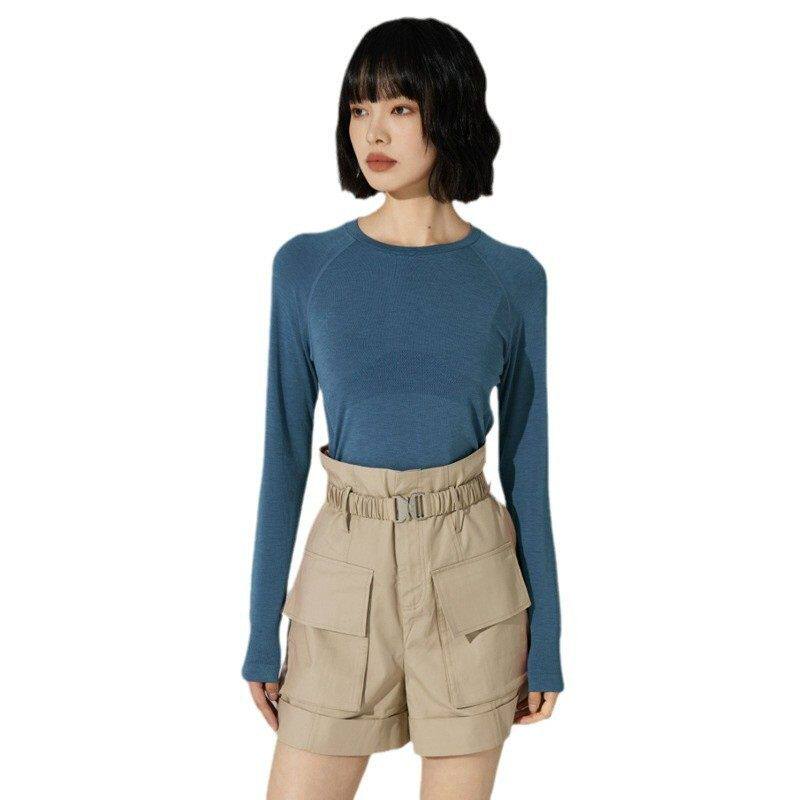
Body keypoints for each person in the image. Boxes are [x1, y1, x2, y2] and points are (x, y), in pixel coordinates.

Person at [243, 16, 563, 800]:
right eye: (359, 108)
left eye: (399, 108)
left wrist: (549, 640)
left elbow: (528, 466)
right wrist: (259, 632)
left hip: (472, 575)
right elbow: (284, 454)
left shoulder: (513, 278)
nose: (373, 131)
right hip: (344, 572)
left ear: (447, 113)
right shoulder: (307, 268)